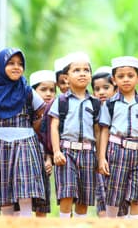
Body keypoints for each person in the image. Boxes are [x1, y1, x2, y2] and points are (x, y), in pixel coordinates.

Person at [0, 47, 46, 217]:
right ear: (1, 66)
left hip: (25, 144)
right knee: (4, 190)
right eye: (11, 63)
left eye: (20, 64)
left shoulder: (27, 91)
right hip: (0, 146)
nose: (16, 67)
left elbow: (42, 112)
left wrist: (30, 130)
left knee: (26, 189)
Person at [98, 56, 138, 219]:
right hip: (116, 151)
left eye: (130, 76)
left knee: (137, 195)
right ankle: (112, 223)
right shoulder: (110, 104)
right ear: (114, 80)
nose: (126, 79)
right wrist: (102, 158)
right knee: (114, 193)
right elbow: (104, 131)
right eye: (121, 76)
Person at [49, 51, 100, 218]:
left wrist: (100, 157)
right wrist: (56, 151)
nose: (82, 73)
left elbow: (98, 131)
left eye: (86, 70)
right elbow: (54, 126)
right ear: (66, 77)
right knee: (67, 192)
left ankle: (79, 223)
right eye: (76, 70)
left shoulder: (95, 103)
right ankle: (64, 222)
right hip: (66, 152)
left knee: (84, 199)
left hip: (88, 153)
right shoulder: (61, 101)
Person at [29, 70, 56, 217]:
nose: (48, 94)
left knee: (42, 202)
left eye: (52, 90)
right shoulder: (26, 113)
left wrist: (48, 159)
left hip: (44, 162)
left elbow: (50, 141)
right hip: (26, 160)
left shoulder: (56, 115)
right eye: (43, 89)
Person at [91, 66, 117, 218]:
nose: (101, 92)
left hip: (119, 156)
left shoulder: (119, 107)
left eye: (106, 87)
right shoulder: (94, 109)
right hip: (98, 158)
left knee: (118, 196)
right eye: (97, 88)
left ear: (115, 87)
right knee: (101, 196)